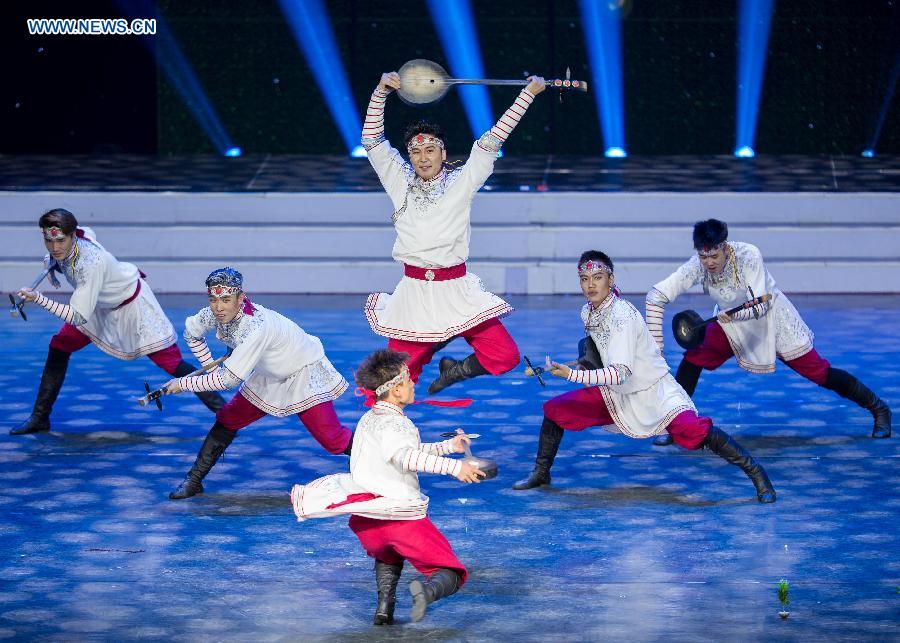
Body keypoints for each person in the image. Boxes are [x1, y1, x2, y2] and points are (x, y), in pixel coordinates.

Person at [512, 250, 776, 504]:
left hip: (652, 391)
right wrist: (585, 366)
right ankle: (541, 472)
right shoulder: (588, 311)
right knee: (555, 410)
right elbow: (602, 355)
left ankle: (757, 474)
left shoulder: (622, 316)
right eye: (584, 279)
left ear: (611, 280)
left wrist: (572, 375)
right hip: (616, 394)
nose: (590, 285)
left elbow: (620, 372)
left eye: (597, 277)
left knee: (692, 430)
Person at [359, 70, 547, 394]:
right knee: (391, 384)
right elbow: (372, 141)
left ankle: (454, 367)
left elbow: (493, 140)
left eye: (430, 150)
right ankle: (381, 439)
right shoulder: (399, 180)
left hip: (457, 292)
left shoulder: (462, 180)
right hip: (415, 296)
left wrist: (527, 94)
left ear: (443, 153)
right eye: (416, 152)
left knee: (505, 356)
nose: (422, 157)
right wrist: (380, 92)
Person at [646, 219, 891, 446]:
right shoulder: (697, 265)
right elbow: (657, 295)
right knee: (692, 360)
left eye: (714, 255)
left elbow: (760, 304)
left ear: (725, 248)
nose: (709, 262)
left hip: (772, 320)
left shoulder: (748, 255)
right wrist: (657, 345)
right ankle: (675, 424)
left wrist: (732, 314)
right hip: (731, 324)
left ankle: (878, 408)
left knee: (819, 372)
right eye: (703, 256)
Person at [290, 349, 484, 624]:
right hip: (399, 520)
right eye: (408, 381)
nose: (413, 384)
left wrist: (447, 447)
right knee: (450, 573)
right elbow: (406, 457)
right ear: (395, 390)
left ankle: (383, 609)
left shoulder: (369, 419)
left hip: (369, 521)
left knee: (389, 555)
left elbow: (400, 451)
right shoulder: (397, 424)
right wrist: (456, 467)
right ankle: (425, 595)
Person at [11, 208, 224, 435]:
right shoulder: (79, 235)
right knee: (59, 345)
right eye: (48, 241)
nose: (54, 248)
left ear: (73, 236)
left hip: (132, 308)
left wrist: (39, 299)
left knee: (172, 364)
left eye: (61, 241)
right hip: (99, 306)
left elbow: (77, 316)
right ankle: (40, 417)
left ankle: (226, 413)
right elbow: (86, 234)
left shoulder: (91, 264)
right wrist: (53, 264)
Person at [164, 267, 352, 499]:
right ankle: (194, 480)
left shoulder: (256, 327)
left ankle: (378, 465)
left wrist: (184, 385)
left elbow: (229, 380)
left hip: (303, 372)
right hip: (269, 372)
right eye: (213, 299)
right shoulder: (212, 314)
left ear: (241, 298)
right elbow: (192, 334)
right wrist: (210, 365)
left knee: (333, 441)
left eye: (226, 299)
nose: (219, 307)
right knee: (228, 418)